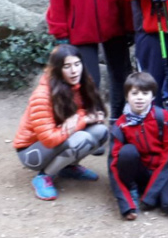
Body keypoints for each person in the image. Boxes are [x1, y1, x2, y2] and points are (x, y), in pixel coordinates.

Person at [13, 45, 109, 201]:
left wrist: (83, 115)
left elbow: (91, 112)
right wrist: (83, 119)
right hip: (32, 152)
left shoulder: (81, 83)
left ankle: (68, 167)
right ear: (58, 69)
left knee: (100, 131)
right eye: (67, 66)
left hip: (57, 139)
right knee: (82, 139)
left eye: (77, 64)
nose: (74, 71)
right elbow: (49, 139)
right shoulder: (42, 96)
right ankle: (44, 177)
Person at [108, 71, 168, 220]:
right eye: (134, 93)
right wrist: (126, 205)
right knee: (127, 152)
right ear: (127, 97)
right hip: (136, 171)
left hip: (159, 170)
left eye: (145, 93)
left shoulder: (164, 118)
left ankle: (148, 192)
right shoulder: (120, 125)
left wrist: (150, 195)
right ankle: (132, 189)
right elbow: (114, 166)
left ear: (153, 96)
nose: (140, 98)